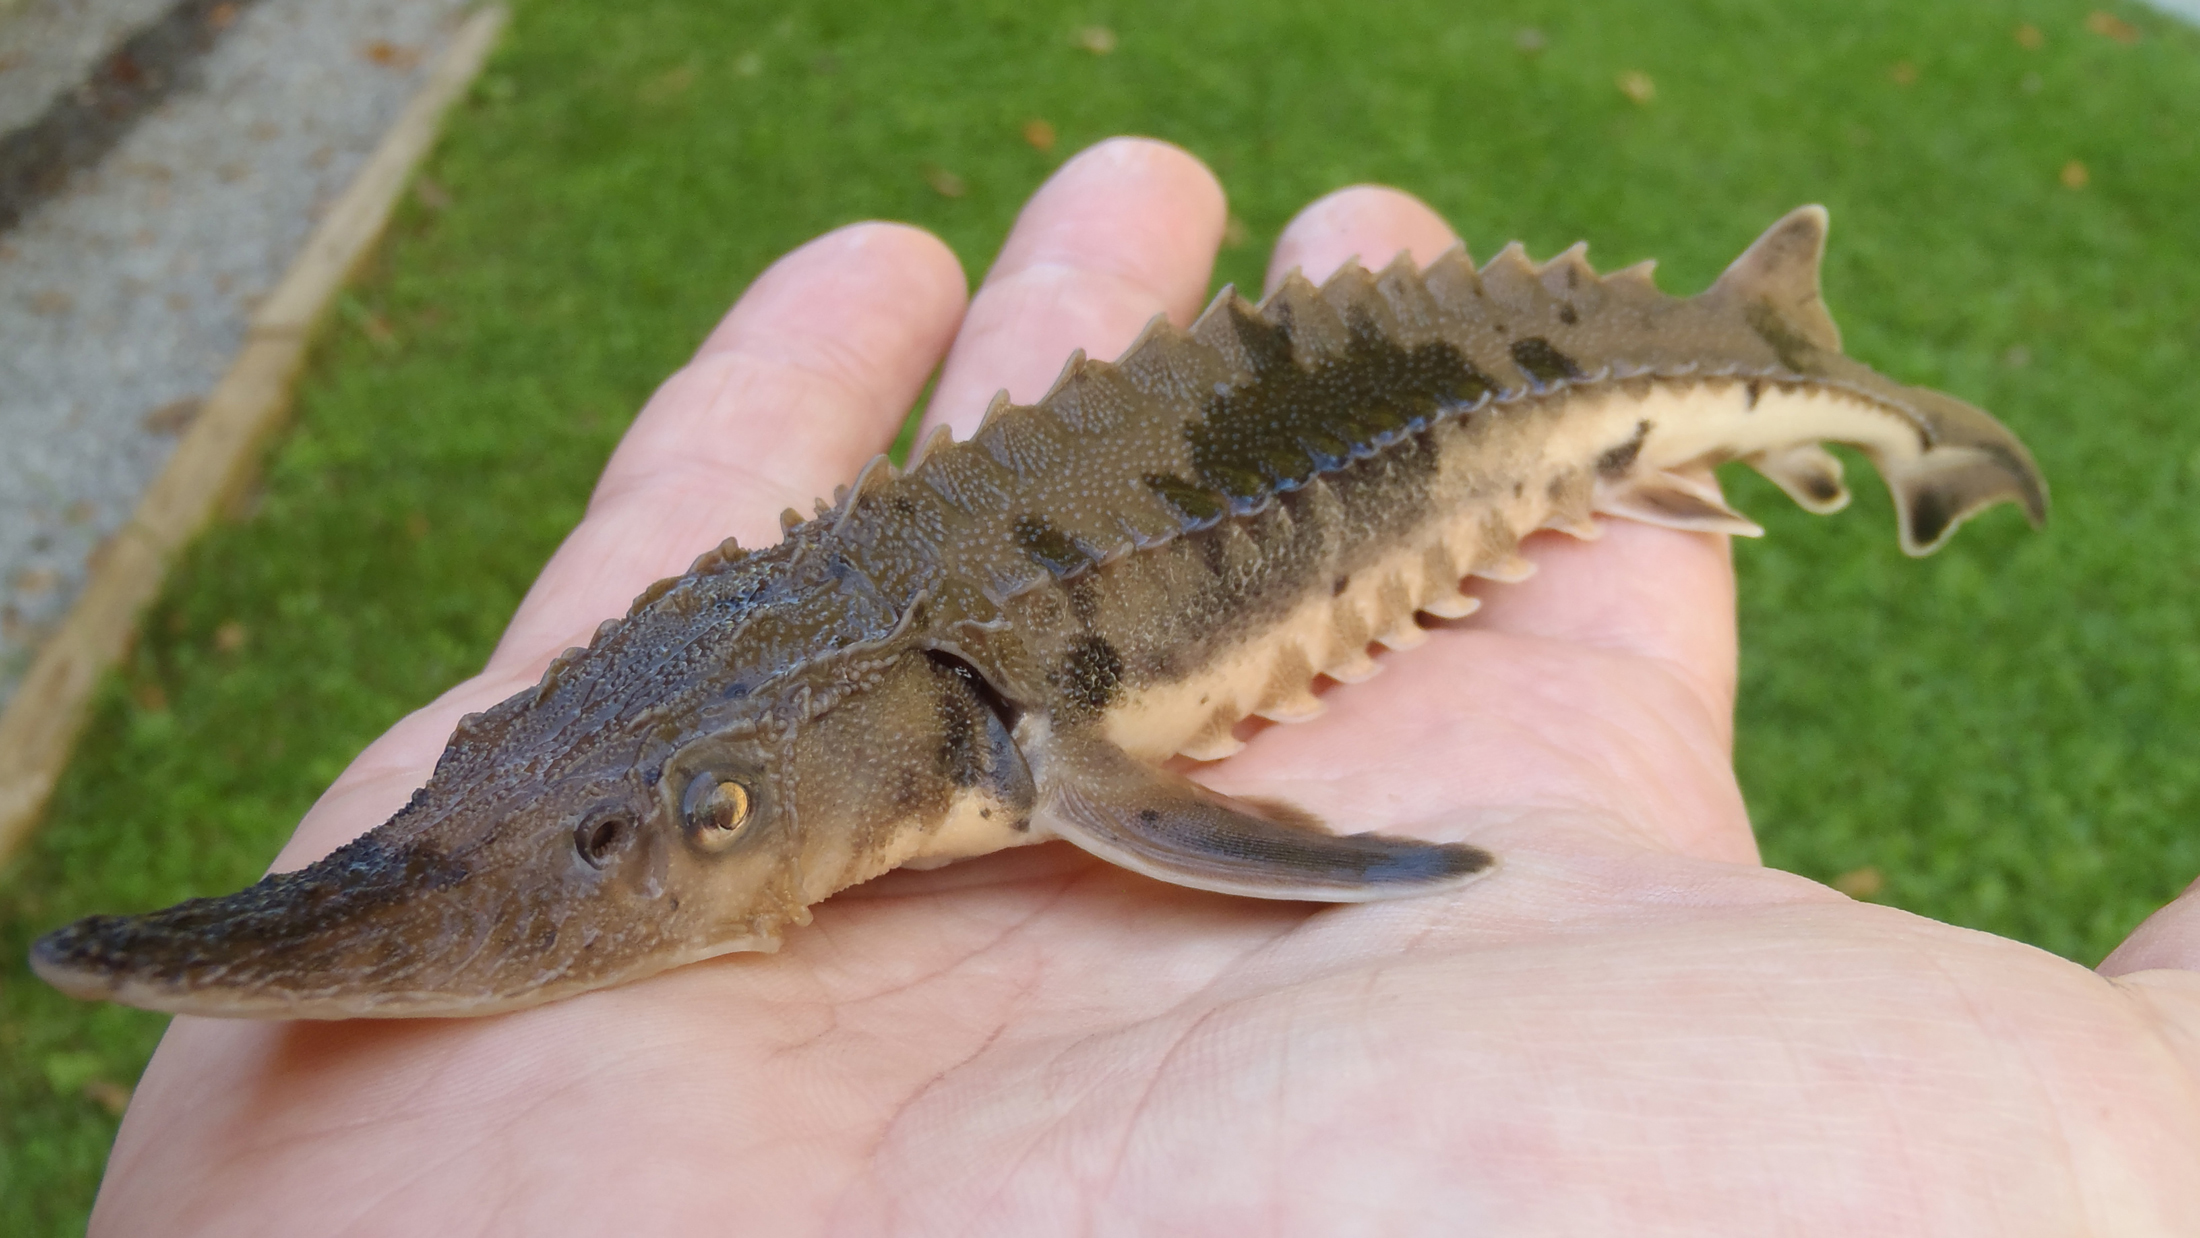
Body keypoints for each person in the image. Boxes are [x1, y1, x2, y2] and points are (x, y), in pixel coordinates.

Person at [90, 138, 2200, 1234]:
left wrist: (1351, 863)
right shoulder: (806, 673)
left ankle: (1834, 395)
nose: (667, 844)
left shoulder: (1048, 758)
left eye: (695, 819)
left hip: (1490, 410)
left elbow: (1243, 837)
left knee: (1668, 421)